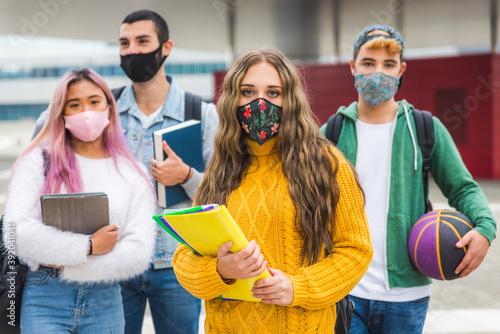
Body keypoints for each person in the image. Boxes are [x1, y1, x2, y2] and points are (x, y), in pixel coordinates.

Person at [32, 10, 218, 333]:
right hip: (116, 263)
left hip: (177, 265)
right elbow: (49, 133)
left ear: (166, 47)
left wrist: (187, 176)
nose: (132, 51)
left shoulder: (201, 114)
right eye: (124, 43)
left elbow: (221, 198)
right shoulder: (103, 109)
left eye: (142, 41)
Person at [172, 47, 373, 333]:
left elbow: (355, 251)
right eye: (248, 92)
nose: (260, 103)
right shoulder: (219, 171)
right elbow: (183, 260)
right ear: (233, 99)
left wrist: (297, 287)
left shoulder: (326, 165)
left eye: (273, 93)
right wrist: (220, 271)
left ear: (289, 99)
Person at [319, 25, 497, 334]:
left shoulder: (426, 128)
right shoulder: (331, 134)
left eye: (388, 65)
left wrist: (485, 228)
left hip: (407, 295)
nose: (378, 73)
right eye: (368, 63)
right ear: (353, 67)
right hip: (344, 288)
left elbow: (463, 188)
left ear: (401, 70)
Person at [2, 68, 157, 333]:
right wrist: (88, 246)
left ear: (109, 108)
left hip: (105, 303)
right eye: (74, 104)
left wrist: (65, 259)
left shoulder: (133, 173)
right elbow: (16, 233)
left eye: (94, 101)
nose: (86, 112)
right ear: (61, 114)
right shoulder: (37, 161)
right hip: (44, 298)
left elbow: (139, 253)